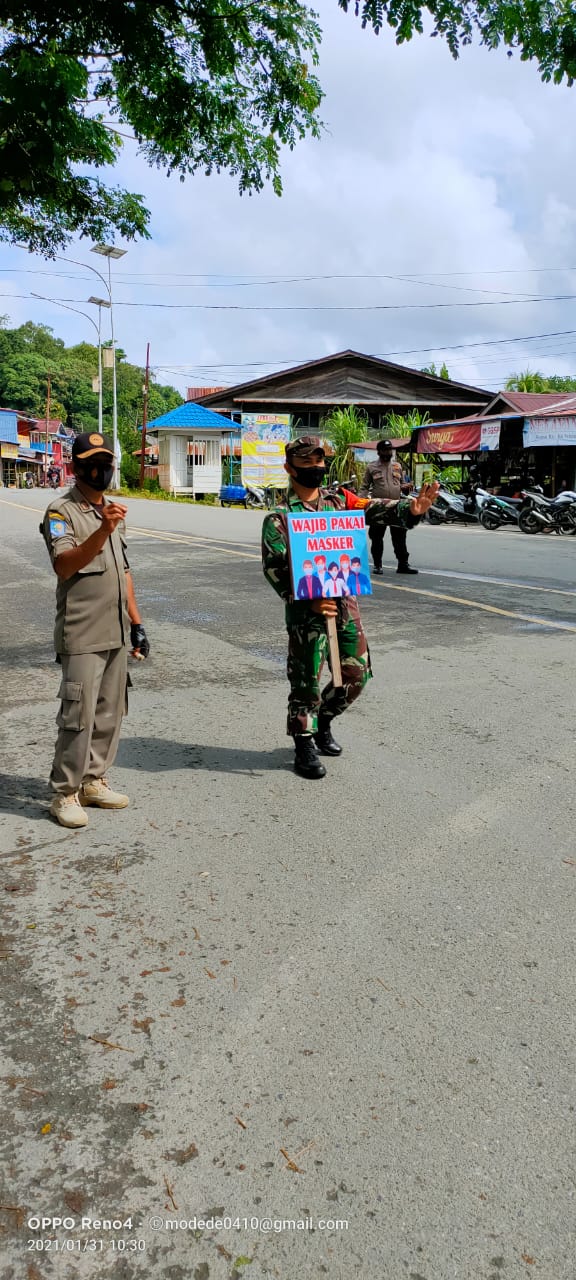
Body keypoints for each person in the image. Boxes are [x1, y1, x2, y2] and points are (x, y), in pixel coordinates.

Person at [261, 436, 438, 780]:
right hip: (307, 613)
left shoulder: (340, 501)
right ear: (290, 468)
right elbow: (274, 568)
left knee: (356, 674)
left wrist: (411, 510)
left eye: (319, 461)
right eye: (307, 462)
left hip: (344, 604)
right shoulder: (279, 518)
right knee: (306, 681)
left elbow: (374, 507)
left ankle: (323, 720)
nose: (316, 468)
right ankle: (303, 742)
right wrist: (306, 598)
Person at [41, 431, 150, 829]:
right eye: (92, 463)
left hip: (115, 630)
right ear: (75, 466)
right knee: (78, 715)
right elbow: (64, 566)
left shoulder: (113, 513)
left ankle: (93, 780)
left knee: (110, 711)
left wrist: (137, 624)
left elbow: (124, 572)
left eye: (106, 463)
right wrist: (102, 529)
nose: (100, 470)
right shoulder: (61, 512)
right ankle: (65, 792)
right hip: (82, 632)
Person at [359, 440, 418, 575]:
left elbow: (402, 485)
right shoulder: (371, 467)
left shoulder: (397, 466)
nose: (388, 452)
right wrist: (359, 502)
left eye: (390, 449)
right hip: (379, 507)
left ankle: (403, 565)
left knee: (400, 537)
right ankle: (377, 565)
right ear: (379, 452)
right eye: (385, 450)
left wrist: (405, 487)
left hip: (396, 506)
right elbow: (364, 487)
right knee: (377, 537)